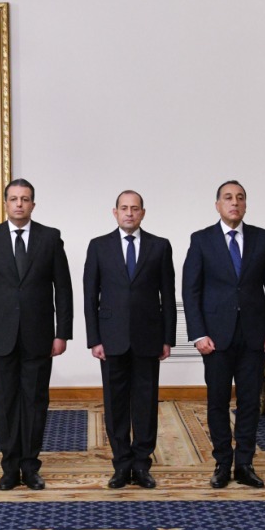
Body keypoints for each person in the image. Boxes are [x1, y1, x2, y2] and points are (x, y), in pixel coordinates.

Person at [0, 178, 72, 490]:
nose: (19, 204)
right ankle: (10, 467)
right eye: (13, 199)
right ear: (5, 204)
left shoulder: (50, 238)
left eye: (25, 199)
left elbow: (63, 290)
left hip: (39, 336)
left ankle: (31, 466)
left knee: (35, 402)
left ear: (33, 205)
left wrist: (62, 333)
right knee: (5, 403)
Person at [182, 180, 265, 489]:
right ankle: (222, 463)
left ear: (245, 205)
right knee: (217, 401)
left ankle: (245, 464)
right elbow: (190, 290)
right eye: (228, 198)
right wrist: (198, 334)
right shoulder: (201, 240)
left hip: (254, 336)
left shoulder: (262, 238)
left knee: (250, 401)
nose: (234, 202)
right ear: (218, 205)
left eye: (240, 198)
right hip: (216, 337)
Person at [83, 190, 175, 489]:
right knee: (116, 404)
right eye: (124, 208)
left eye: (135, 208)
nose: (129, 213)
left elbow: (168, 296)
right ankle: (122, 464)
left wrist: (168, 338)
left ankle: (142, 464)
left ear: (143, 213)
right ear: (115, 212)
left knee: (146, 403)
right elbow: (90, 296)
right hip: (111, 339)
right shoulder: (99, 246)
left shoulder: (160, 246)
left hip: (149, 337)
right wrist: (94, 339)